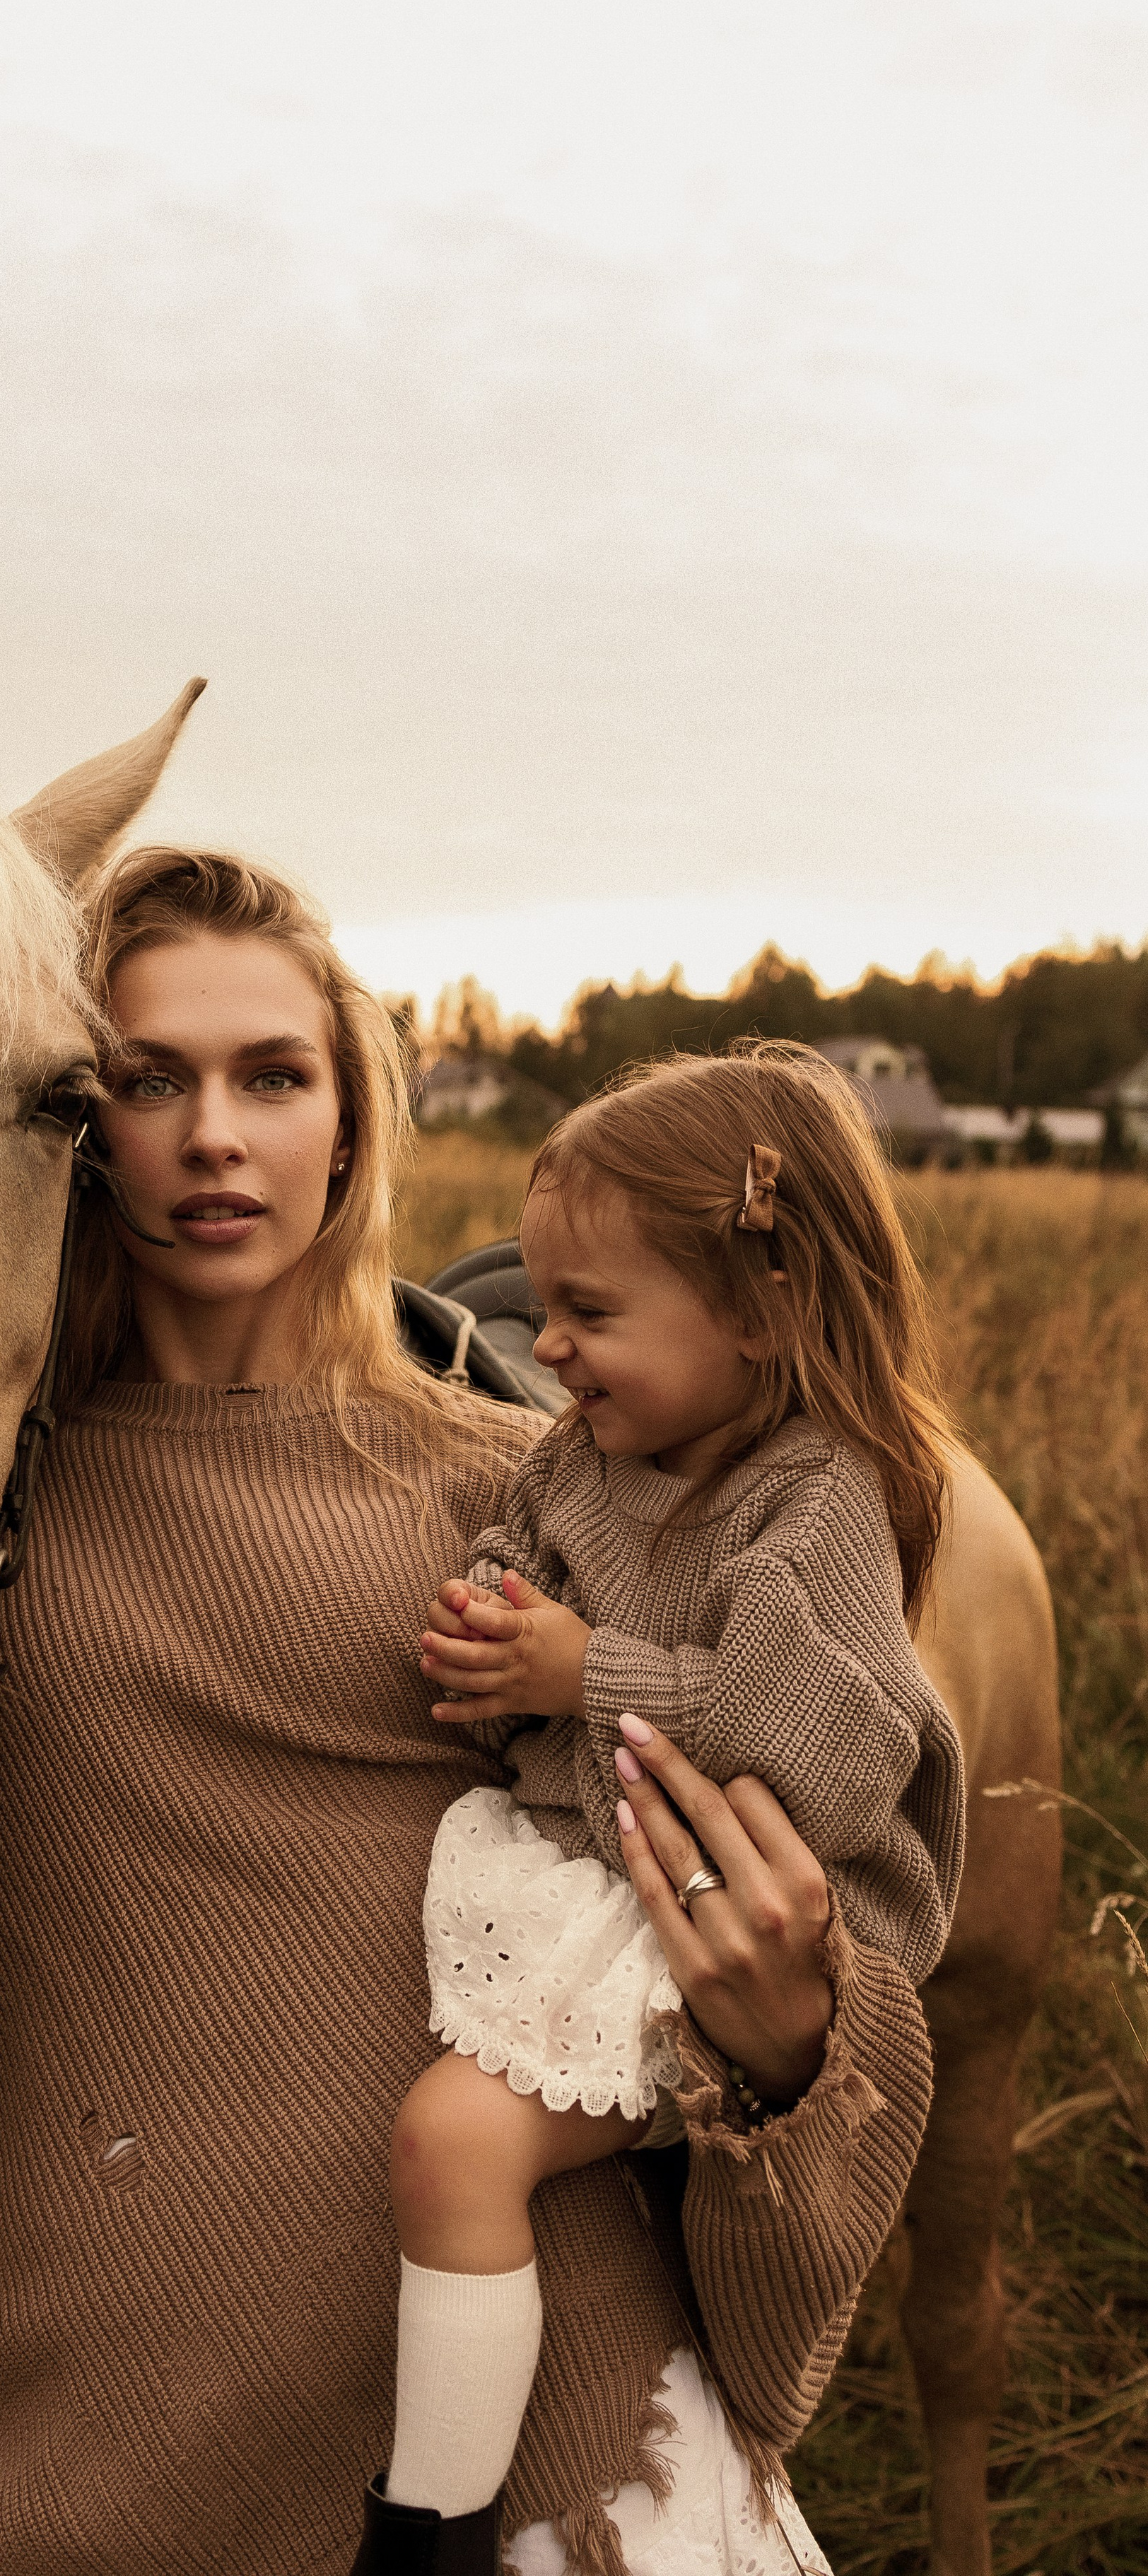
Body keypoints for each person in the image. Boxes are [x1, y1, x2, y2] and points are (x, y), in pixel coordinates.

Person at [0, 853, 935, 2576]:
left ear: (347, 1117)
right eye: (144, 1079)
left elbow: (803, 1869)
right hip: (92, 2456)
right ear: (60, 1127)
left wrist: (791, 2046)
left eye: (273, 1075)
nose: (212, 1135)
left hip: (541, 2454)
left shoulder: (544, 1509)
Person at [365, 1046, 966, 2563]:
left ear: (760, 1314)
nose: (549, 1343)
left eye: (589, 1312)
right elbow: (530, 1545)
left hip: (725, 1906)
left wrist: (578, 1671)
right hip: (613, 1868)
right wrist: (492, 1616)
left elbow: (820, 1753)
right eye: (541, 1306)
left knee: (454, 2141)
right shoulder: (585, 1456)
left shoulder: (812, 1494)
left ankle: (427, 2527)